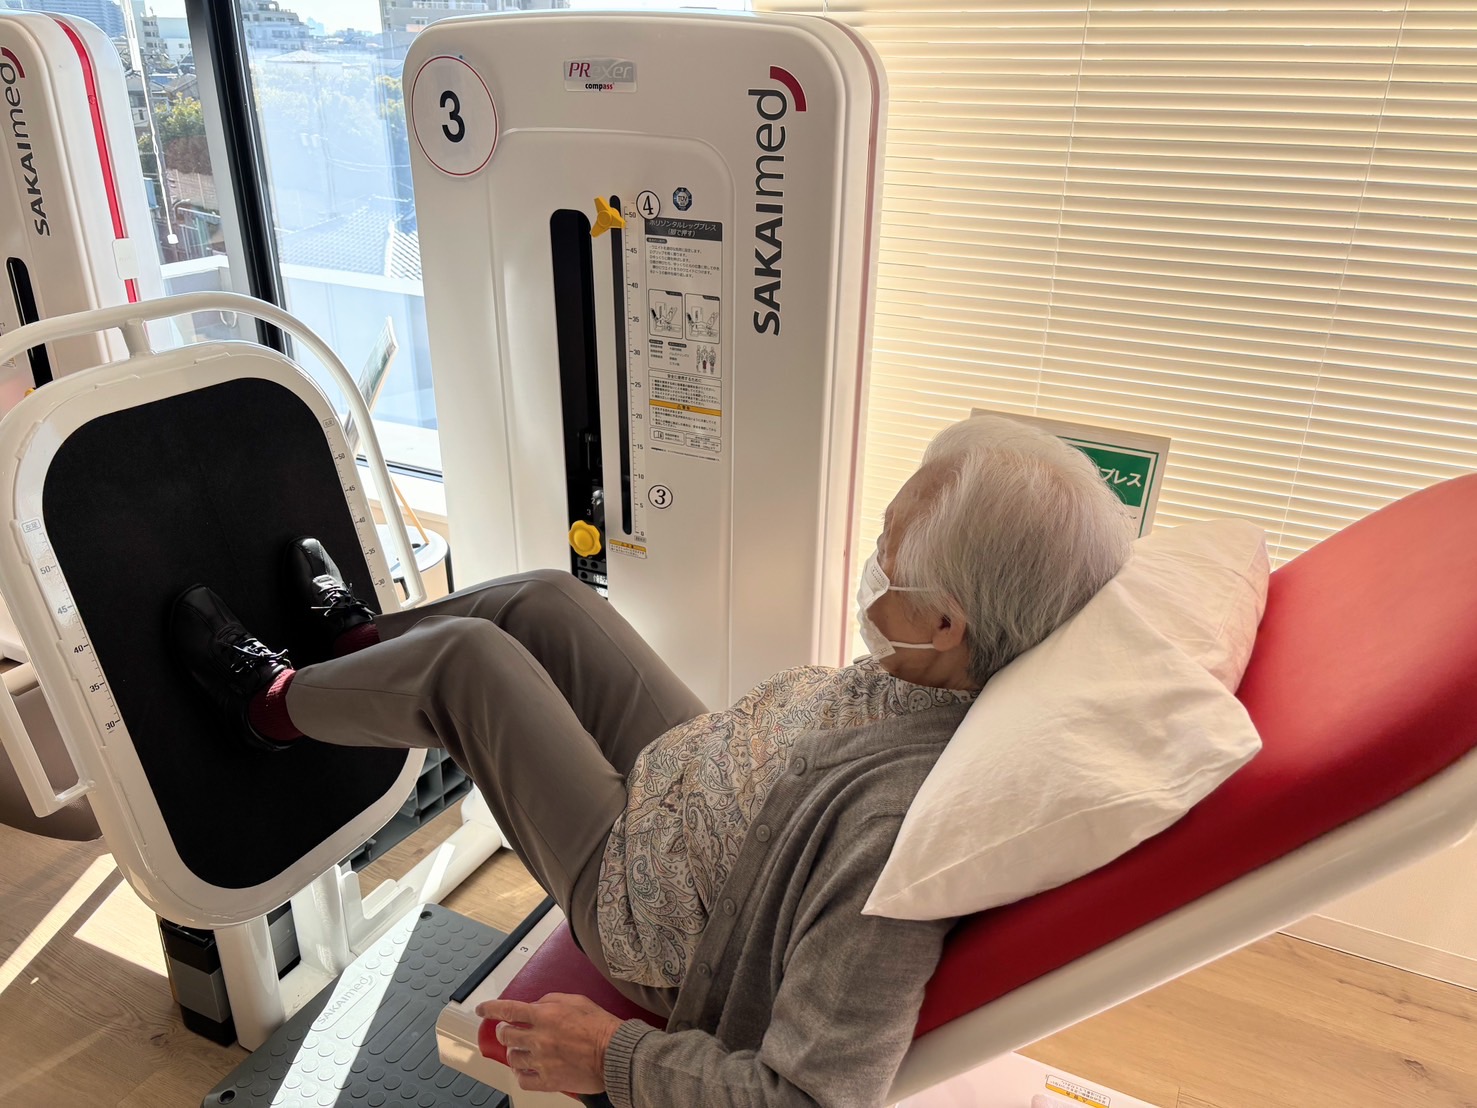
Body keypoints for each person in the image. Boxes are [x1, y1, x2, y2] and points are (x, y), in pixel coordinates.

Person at [171, 413, 1132, 1108]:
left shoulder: (898, 830)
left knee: (466, 664)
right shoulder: (948, 667)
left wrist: (614, 1057)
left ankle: (269, 708)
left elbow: (809, 1095)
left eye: (889, 555)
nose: (872, 563)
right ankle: (359, 648)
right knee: (544, 600)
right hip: (695, 788)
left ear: (947, 621)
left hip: (647, 907)